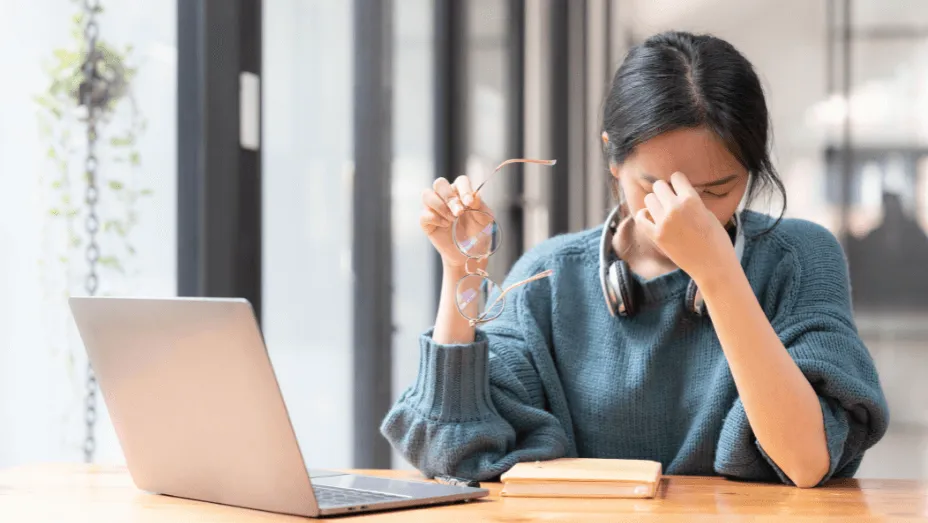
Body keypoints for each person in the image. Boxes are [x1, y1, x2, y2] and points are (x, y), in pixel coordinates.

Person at [381, 30, 889, 488]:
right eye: (654, 186)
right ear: (612, 159)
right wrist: (460, 269)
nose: (684, 211)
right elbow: (447, 452)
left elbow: (805, 461)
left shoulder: (799, 257)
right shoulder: (552, 276)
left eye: (717, 190)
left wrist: (717, 273)